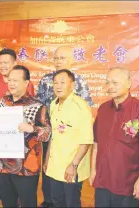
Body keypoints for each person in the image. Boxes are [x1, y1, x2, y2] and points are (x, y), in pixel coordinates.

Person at [90, 67, 139, 207]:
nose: (110, 87)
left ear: (128, 83)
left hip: (128, 184)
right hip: (102, 181)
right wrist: (93, 170)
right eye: (107, 82)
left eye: (115, 83)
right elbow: (96, 143)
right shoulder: (103, 109)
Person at [36, 45, 93, 208]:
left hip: (71, 162)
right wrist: (46, 159)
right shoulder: (54, 104)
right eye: (56, 83)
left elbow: (86, 139)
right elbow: (53, 134)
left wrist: (74, 164)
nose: (58, 86)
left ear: (72, 85)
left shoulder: (80, 105)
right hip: (55, 161)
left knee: (71, 202)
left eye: (63, 83)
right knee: (56, 200)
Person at [0, 48, 35, 203]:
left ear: (14, 63)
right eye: (0, 63)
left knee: (16, 166)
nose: (3, 65)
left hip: (18, 133)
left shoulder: (25, 82)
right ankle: (0, 191)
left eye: (6, 62)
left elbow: (30, 107)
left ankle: (16, 194)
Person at [0, 65, 51, 207]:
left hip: (27, 167)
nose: (11, 83)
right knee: (8, 203)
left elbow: (47, 134)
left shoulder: (37, 106)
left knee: (27, 203)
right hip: (3, 164)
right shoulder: (2, 102)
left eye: (16, 80)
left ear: (26, 83)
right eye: (9, 79)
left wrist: (32, 128)